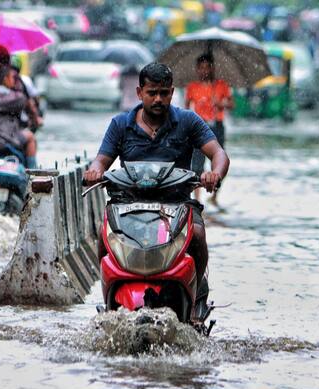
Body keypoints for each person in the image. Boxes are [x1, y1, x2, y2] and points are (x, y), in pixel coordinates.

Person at [84, 62, 230, 307]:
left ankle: (195, 295)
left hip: (177, 203)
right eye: (152, 93)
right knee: (103, 235)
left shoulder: (188, 121)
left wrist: (214, 174)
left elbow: (218, 153)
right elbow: (101, 159)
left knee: (197, 234)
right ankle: (109, 296)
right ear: (140, 92)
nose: (158, 99)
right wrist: (95, 171)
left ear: (172, 93)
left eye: (164, 93)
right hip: (128, 204)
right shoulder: (121, 124)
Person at [185, 53, 234, 207]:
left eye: (207, 67)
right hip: (199, 126)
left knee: (219, 160)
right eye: (201, 68)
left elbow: (232, 105)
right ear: (197, 69)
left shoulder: (221, 85)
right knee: (197, 163)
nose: (204, 71)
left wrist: (220, 104)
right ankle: (198, 198)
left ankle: (214, 194)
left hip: (217, 126)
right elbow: (187, 108)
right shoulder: (192, 87)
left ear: (212, 68)